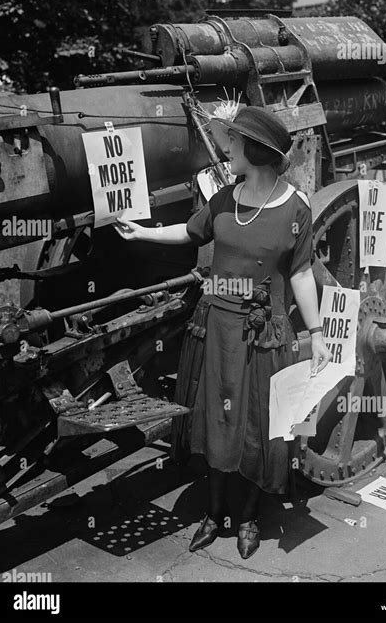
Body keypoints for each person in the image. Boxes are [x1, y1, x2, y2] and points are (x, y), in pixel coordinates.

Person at [114, 106, 332, 559]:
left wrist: (317, 332)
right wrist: (142, 233)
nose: (227, 149)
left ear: (254, 150)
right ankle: (214, 514)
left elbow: (300, 275)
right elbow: (191, 234)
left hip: (263, 334)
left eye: (234, 143)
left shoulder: (296, 207)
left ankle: (249, 517)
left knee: (255, 425)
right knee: (218, 422)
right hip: (215, 327)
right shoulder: (224, 199)